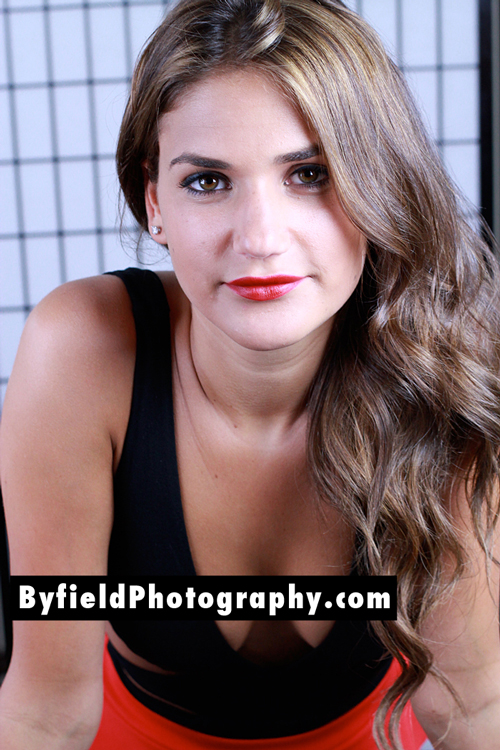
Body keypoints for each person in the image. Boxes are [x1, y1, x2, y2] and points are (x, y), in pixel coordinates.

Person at [0, 0, 499, 748]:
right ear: (154, 203)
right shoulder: (82, 352)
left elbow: (473, 708)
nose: (261, 240)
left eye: (310, 173)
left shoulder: (437, 367)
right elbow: (45, 710)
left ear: (378, 184)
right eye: (208, 181)